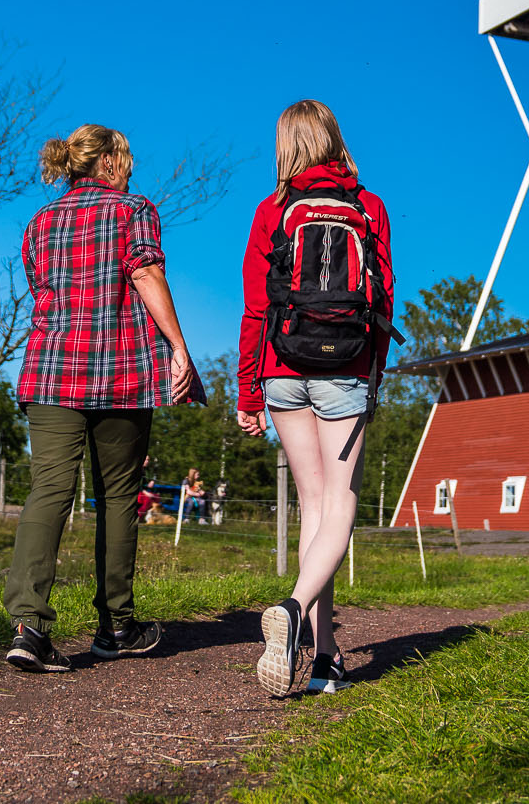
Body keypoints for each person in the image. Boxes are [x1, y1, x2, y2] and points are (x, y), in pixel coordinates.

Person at [5, 124, 195, 672]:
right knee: (118, 497)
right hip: (122, 373)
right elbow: (145, 273)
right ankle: (116, 628)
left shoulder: (40, 222)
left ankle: (28, 626)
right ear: (111, 161)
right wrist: (179, 348)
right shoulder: (135, 210)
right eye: (126, 159)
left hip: (50, 374)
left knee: (50, 490)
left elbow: (45, 292)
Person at [236, 100, 394, 697]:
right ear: (333, 140)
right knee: (341, 501)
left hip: (282, 366)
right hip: (345, 366)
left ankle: (326, 657)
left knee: (312, 507)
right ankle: (296, 609)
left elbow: (256, 306)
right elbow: (383, 301)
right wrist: (374, 373)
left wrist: (249, 390)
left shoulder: (272, 210)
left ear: (286, 146)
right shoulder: (367, 207)